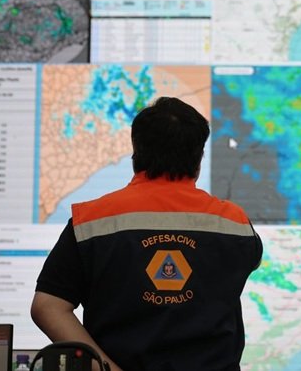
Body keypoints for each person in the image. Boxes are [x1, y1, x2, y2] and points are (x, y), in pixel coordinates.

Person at [30, 97, 263, 371]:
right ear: (199, 158)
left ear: (136, 151)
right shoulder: (234, 223)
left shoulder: (90, 222)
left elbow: (47, 306)